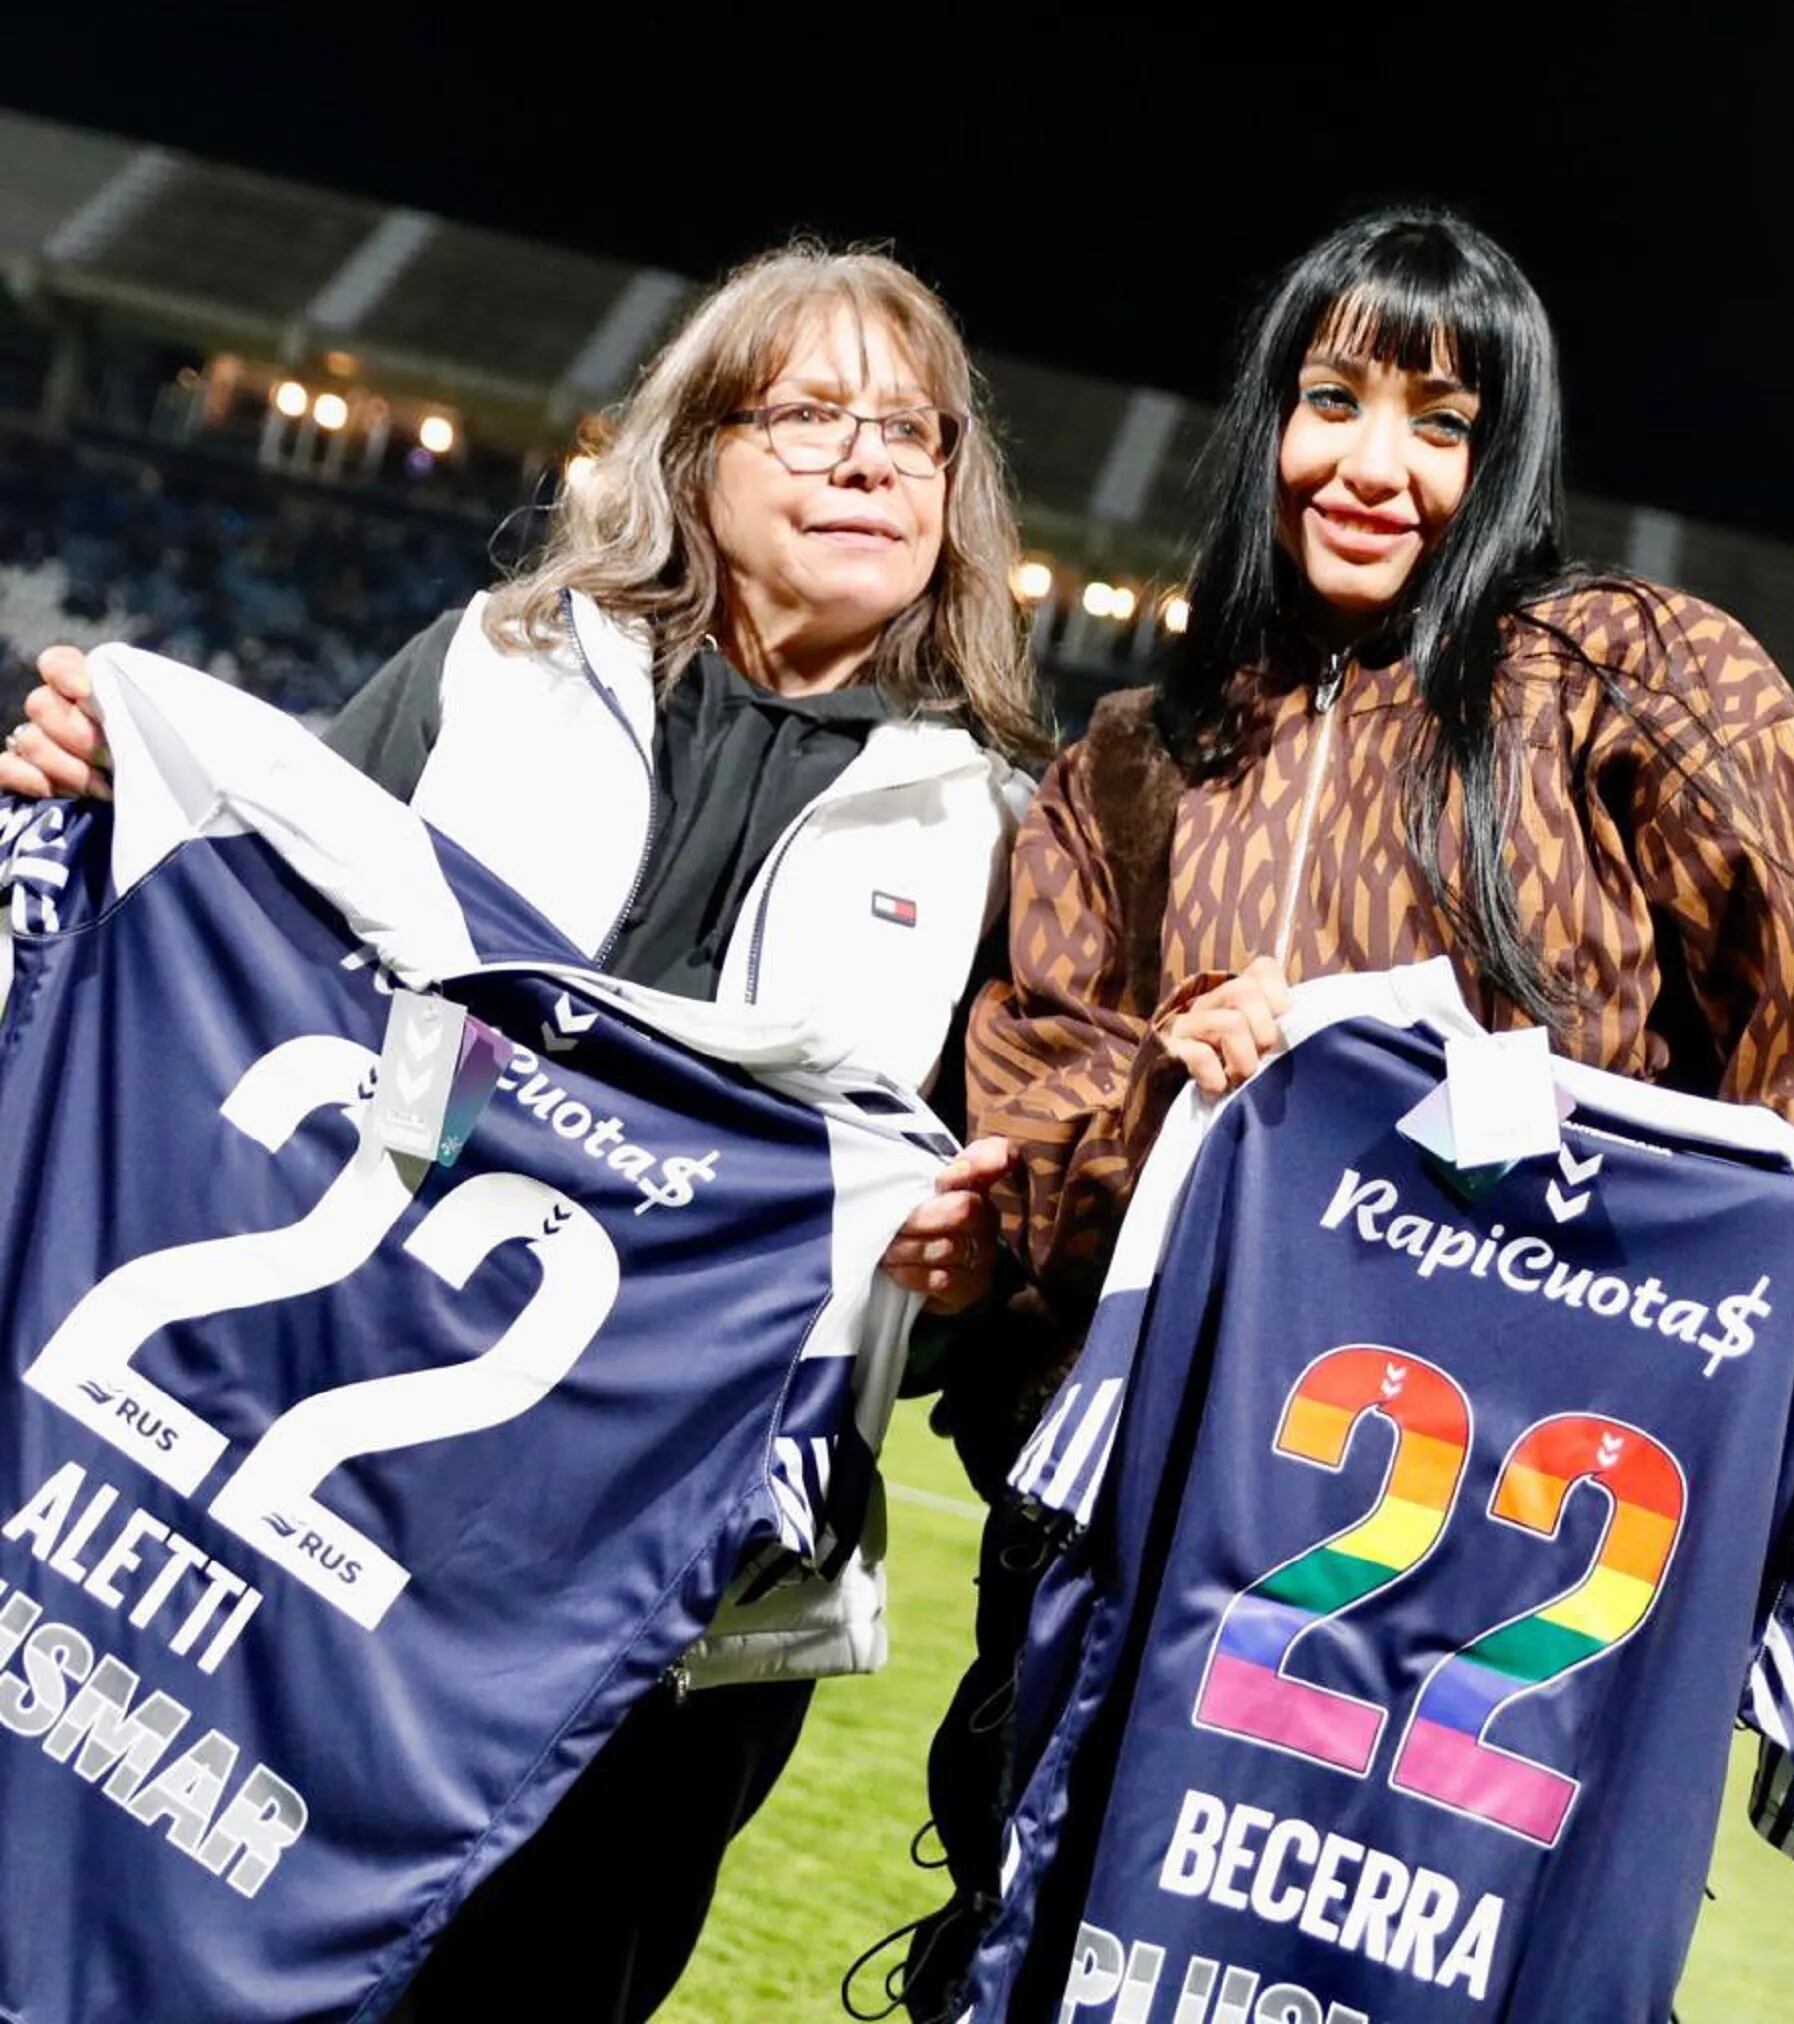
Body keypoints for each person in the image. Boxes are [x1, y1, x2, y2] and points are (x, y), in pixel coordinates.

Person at [899, 205, 1794, 2024]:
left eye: (1445, 423)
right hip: (1146, 1561)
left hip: (1512, 1586)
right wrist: (1171, 1102)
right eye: (1332, 400)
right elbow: (1032, 1165)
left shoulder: (1629, 674)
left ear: (1508, 458)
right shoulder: (1131, 761)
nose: (1374, 465)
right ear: (1268, 418)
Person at [2, 242, 1048, 2022]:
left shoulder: (1007, 836)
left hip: (673, 1611)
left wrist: (957, 1270)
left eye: (915, 432)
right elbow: (255, 951)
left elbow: (982, 1235)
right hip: (331, 1506)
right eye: (812, 417)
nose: (873, 461)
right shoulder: (486, 667)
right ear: (692, 452)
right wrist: (112, 789)